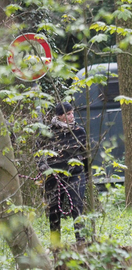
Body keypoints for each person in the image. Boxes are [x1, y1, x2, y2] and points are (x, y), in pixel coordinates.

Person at [38, 102, 88, 246]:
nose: (72, 116)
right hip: (54, 175)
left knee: (77, 206)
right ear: (60, 116)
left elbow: (85, 155)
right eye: (68, 114)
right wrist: (42, 166)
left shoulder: (79, 131)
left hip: (75, 174)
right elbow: (38, 152)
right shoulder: (47, 132)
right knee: (54, 210)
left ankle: (81, 242)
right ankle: (56, 244)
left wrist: (87, 175)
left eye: (72, 113)